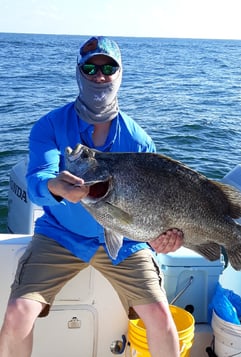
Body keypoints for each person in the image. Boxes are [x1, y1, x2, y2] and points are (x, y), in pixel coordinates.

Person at [0, 36, 184, 357]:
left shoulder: (139, 141)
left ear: (119, 73)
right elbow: (37, 180)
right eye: (90, 68)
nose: (100, 76)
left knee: (160, 318)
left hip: (126, 240)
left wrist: (166, 236)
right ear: (78, 73)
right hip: (61, 236)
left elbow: (158, 206)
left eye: (108, 68)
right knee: (17, 313)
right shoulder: (50, 126)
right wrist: (56, 187)